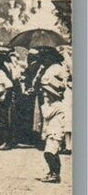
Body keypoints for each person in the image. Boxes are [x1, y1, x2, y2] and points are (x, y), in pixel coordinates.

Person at [34, 47, 68, 183]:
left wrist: (44, 100)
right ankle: (53, 172)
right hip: (52, 131)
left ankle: (55, 173)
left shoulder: (55, 69)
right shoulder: (49, 68)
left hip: (55, 133)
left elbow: (46, 114)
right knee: (51, 153)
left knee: (50, 153)